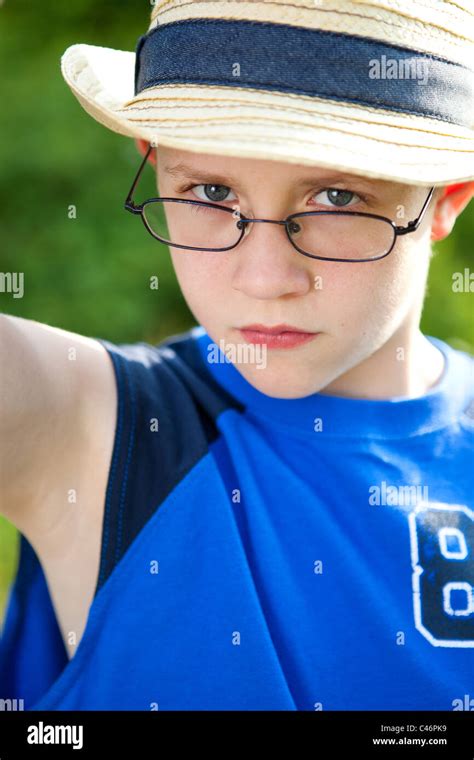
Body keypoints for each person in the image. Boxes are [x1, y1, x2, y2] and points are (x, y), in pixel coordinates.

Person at [1, 0, 473, 710]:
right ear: (154, 165)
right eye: (211, 191)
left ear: (446, 199)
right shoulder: (100, 431)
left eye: (338, 196)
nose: (264, 279)